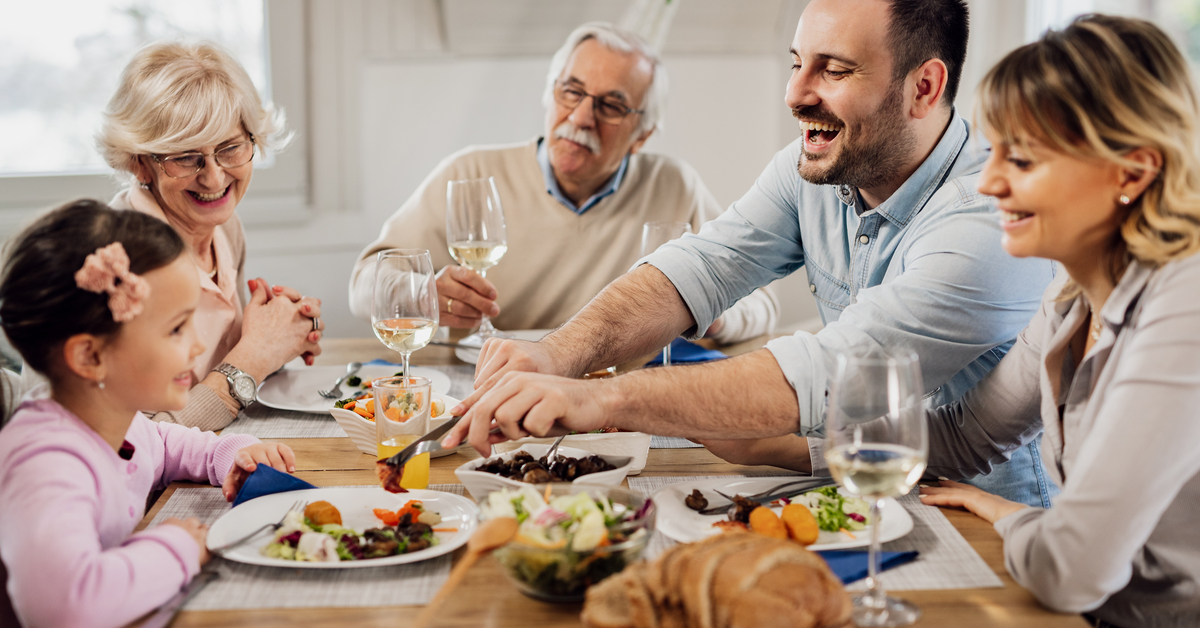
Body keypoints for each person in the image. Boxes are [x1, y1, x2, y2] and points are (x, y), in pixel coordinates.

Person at [442, 0, 1059, 507]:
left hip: (988, 524)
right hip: (856, 490)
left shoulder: (990, 220)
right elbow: (700, 266)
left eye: (834, 70)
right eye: (796, 63)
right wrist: (554, 354)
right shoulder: (815, 167)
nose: (795, 94)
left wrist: (601, 397)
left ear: (923, 87)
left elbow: (829, 374)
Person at [911, 15, 1200, 627]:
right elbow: (966, 437)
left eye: (1021, 160)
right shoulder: (1072, 297)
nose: (988, 184)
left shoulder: (1187, 303)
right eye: (992, 153)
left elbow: (1070, 571)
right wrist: (782, 439)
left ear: (1131, 172)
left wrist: (1012, 516)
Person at [348, 22, 778, 342]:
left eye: (611, 106)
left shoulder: (674, 186)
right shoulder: (469, 173)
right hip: (488, 386)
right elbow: (364, 284)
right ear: (549, 94)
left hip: (615, 395)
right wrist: (421, 294)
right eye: (571, 91)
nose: (581, 117)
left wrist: (707, 310)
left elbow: (761, 303)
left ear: (642, 135)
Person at [0, 201, 296, 628]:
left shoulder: (116, 422)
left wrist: (230, 455)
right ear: (90, 356)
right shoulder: (46, 464)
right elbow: (66, 607)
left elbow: (164, 444)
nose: (198, 346)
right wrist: (177, 547)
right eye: (176, 329)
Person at [88, 40, 322, 430]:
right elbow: (135, 442)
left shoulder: (225, 228)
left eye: (230, 148)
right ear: (140, 163)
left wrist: (279, 336)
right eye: (185, 157)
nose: (213, 178)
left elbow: (213, 373)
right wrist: (254, 357)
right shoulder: (116, 264)